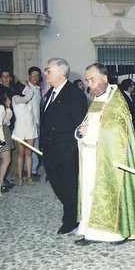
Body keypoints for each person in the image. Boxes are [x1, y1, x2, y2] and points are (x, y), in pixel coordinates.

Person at [73, 63, 135, 246]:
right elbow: (86, 124)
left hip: (110, 158)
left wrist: (91, 131)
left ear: (104, 78)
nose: (89, 84)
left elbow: (116, 133)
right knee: (89, 193)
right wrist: (80, 131)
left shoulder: (117, 102)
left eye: (92, 79)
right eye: (87, 80)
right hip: (90, 157)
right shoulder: (96, 101)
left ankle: (114, 234)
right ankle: (91, 232)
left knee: (109, 193)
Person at [41, 57, 88, 235]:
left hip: (67, 150)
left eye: (48, 70)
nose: (45, 73)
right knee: (56, 183)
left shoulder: (73, 94)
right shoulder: (48, 94)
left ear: (61, 72)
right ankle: (71, 210)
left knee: (68, 185)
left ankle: (71, 218)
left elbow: (79, 123)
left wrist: (74, 149)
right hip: (50, 149)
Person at [12, 81, 37, 185]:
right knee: (20, 154)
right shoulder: (15, 98)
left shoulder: (29, 100)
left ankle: (29, 177)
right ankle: (20, 178)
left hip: (30, 129)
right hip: (20, 129)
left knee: (29, 154)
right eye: (25, 86)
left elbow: (32, 113)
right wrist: (27, 87)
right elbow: (27, 96)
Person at [25, 66, 42, 180]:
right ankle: (31, 171)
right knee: (32, 148)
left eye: (37, 75)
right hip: (31, 123)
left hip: (37, 123)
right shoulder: (27, 89)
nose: (35, 77)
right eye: (33, 75)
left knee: (36, 148)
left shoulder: (37, 89)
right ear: (29, 76)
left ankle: (33, 170)